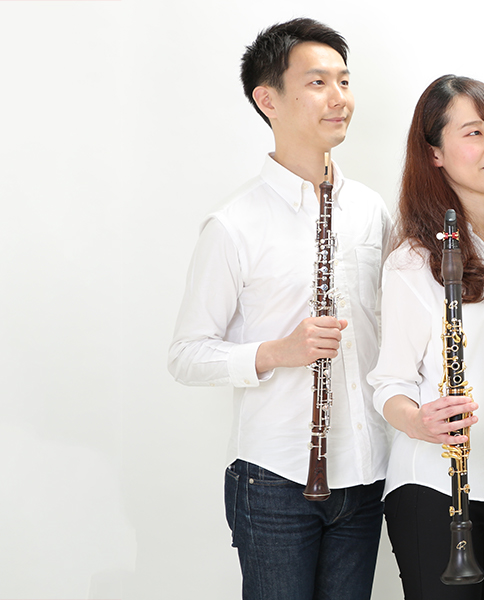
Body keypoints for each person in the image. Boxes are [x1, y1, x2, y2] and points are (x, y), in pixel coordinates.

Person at [167, 18, 393, 600]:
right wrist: (276, 352)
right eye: (318, 82)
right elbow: (186, 356)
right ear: (267, 100)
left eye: (344, 81)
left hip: (365, 471)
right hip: (274, 477)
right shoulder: (233, 224)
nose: (339, 98)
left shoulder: (371, 211)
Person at [368, 74, 484, 600]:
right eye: (474, 132)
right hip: (436, 487)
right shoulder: (415, 261)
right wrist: (418, 420)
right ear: (434, 153)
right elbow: (389, 383)